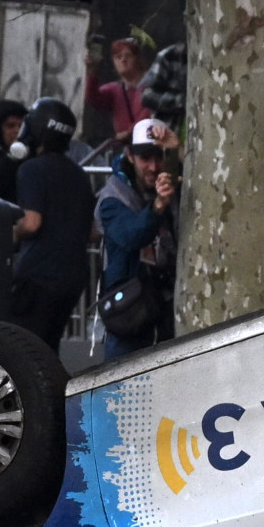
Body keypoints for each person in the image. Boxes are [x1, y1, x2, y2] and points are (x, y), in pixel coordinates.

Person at [10, 98, 93, 349]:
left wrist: (10, 233)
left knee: (24, 349)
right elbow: (92, 232)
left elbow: (32, 222)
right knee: (49, 348)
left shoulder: (32, 170)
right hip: (72, 278)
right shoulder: (78, 174)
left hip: (38, 276)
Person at [96, 120, 176, 359]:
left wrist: (173, 147)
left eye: (159, 157)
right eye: (145, 159)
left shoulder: (169, 184)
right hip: (129, 311)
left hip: (162, 306)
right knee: (120, 386)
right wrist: (158, 206)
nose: (153, 167)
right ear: (130, 156)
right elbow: (131, 236)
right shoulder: (112, 197)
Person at [91, 39, 150, 139]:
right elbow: (94, 99)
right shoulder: (114, 89)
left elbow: (148, 114)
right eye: (118, 57)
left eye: (128, 56)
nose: (123, 60)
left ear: (137, 59)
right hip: (127, 148)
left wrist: (129, 132)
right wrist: (91, 72)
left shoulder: (152, 84)